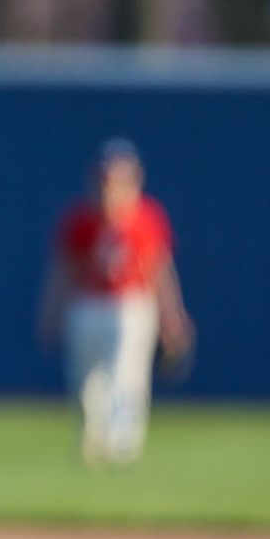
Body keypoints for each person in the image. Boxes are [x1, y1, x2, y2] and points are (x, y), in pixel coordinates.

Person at [37, 138, 194, 465]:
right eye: (105, 179)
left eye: (119, 179)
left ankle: (121, 444)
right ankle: (92, 439)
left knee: (125, 375)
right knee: (85, 381)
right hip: (88, 303)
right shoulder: (81, 219)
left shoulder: (146, 217)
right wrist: (51, 309)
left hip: (131, 305)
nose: (111, 187)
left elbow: (159, 270)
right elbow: (64, 269)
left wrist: (172, 315)